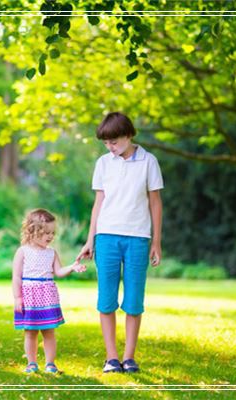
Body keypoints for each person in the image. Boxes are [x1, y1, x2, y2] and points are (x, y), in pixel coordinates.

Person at [77, 111, 164, 374]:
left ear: (128, 135)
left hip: (138, 238)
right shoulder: (104, 163)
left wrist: (156, 242)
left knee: (134, 300)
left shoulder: (149, 161)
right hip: (106, 237)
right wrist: (90, 239)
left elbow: (155, 202)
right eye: (106, 143)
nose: (110, 147)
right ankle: (111, 358)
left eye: (114, 142)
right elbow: (99, 203)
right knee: (106, 299)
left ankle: (129, 357)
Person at [13, 208, 86, 374]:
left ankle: (50, 363)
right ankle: (31, 363)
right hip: (29, 296)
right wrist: (17, 298)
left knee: (49, 332)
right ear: (32, 231)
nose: (50, 236)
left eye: (52, 232)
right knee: (30, 333)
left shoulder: (51, 253)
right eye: (46, 232)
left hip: (47, 295)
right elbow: (16, 277)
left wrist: (72, 267)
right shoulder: (22, 252)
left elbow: (58, 272)